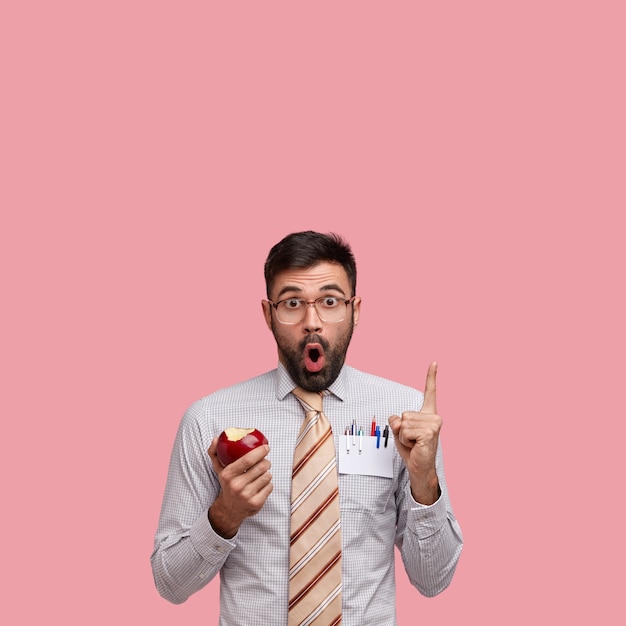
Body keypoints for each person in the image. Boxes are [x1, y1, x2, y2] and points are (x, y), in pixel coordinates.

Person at [151, 231, 463, 625]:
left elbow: (434, 580)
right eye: (293, 303)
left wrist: (424, 481)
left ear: (355, 310)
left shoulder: (406, 416)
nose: (312, 322)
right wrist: (225, 516)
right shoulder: (209, 420)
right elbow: (169, 583)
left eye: (330, 302)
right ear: (268, 314)